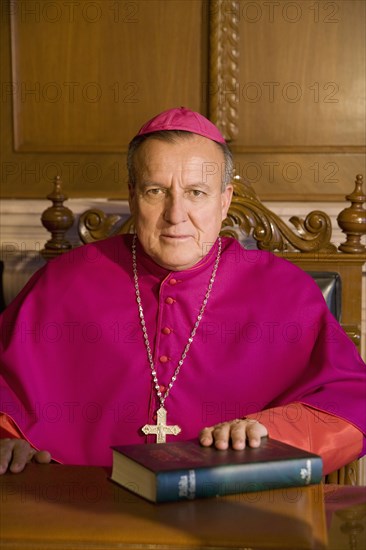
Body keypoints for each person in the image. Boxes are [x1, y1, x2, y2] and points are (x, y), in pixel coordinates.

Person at [0, 107, 365, 476]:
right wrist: (7, 437)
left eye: (196, 193)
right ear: (132, 197)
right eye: (156, 191)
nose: (176, 214)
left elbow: (352, 403)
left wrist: (271, 432)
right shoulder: (66, 281)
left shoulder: (286, 292)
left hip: (235, 512)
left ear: (224, 201)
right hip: (87, 509)